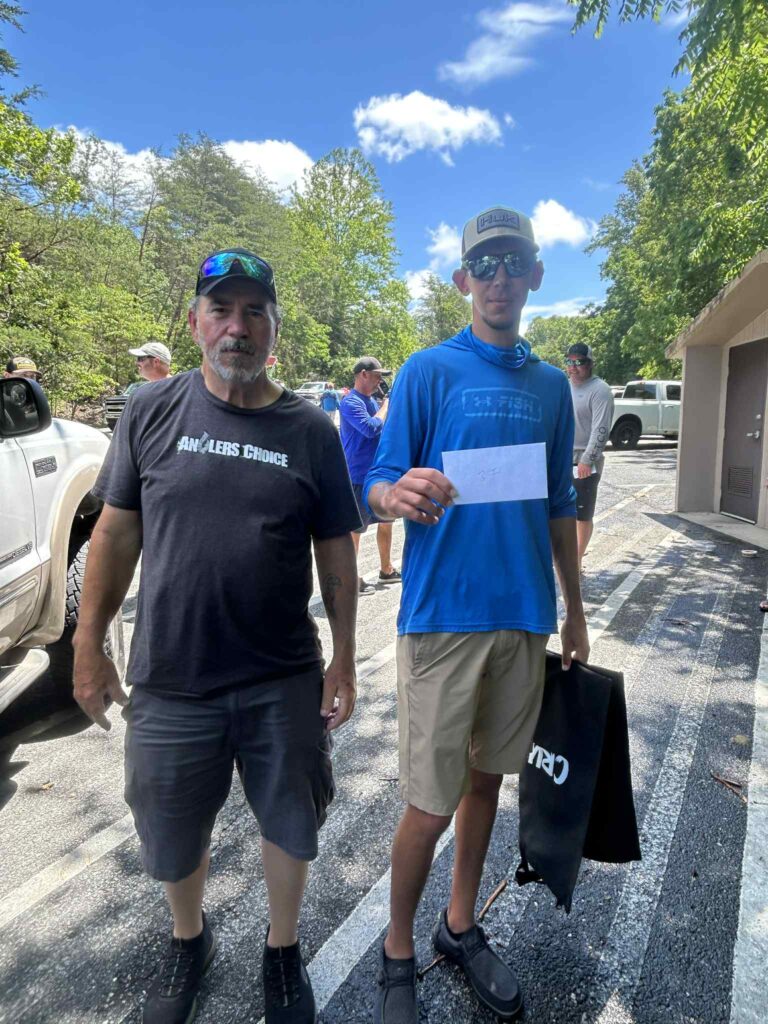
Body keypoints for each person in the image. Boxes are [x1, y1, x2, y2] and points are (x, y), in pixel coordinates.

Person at [73, 248, 361, 1024]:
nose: (238, 327)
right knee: (170, 830)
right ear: (196, 322)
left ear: (274, 329)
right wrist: (88, 644)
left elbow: (337, 550)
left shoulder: (311, 429)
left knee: (292, 825)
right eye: (221, 310)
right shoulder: (149, 409)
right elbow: (114, 534)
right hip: (171, 676)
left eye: (254, 312)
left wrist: (344, 659)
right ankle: (188, 938)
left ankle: (282, 948)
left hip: (282, 677)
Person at [364, 206, 589, 1024]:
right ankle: (397, 950)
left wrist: (575, 613)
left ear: (535, 275)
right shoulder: (427, 371)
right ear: (463, 279)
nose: (498, 277)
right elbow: (377, 481)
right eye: (484, 264)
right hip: (441, 620)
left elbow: (560, 505)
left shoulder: (551, 387)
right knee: (431, 802)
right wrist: (395, 493)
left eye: (513, 261)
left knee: (487, 783)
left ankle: (459, 926)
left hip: (523, 618)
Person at [339, 356, 401, 596]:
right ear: (363, 374)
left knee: (386, 521)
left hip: (379, 472)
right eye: (376, 376)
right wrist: (386, 406)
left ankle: (386, 569)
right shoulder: (351, 402)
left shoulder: (371, 401)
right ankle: (351, 579)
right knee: (356, 530)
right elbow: (370, 428)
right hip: (358, 475)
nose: (379, 381)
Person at [565, 342, 614, 572]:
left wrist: (587, 459)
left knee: (582, 513)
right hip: (562, 459)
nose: (573, 367)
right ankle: (564, 554)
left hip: (585, 462)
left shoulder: (600, 390)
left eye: (579, 362)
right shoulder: (564, 387)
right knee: (561, 511)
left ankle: (577, 560)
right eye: (570, 361)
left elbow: (601, 429)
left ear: (590, 363)